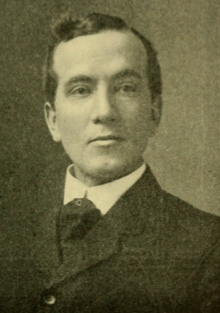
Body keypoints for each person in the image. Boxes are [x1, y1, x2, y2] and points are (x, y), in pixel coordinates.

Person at [0, 12, 220, 313]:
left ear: (154, 112)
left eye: (125, 88)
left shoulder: (208, 246)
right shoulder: (8, 232)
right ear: (53, 120)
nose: (104, 111)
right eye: (81, 90)